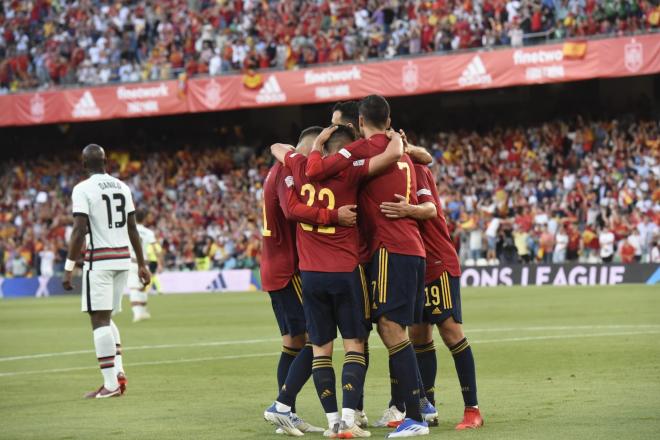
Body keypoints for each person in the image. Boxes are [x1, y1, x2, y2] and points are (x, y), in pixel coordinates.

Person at [266, 124, 405, 438]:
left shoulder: (299, 168)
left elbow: (277, 145)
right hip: (345, 271)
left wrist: (312, 146)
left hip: (312, 276)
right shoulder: (352, 171)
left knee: (320, 350)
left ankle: (331, 425)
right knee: (355, 345)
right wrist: (396, 138)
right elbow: (389, 156)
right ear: (344, 150)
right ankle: (348, 421)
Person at [305, 95, 430, 438]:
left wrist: (316, 145)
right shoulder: (398, 147)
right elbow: (422, 157)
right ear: (388, 120)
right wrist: (403, 145)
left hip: (391, 247)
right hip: (408, 249)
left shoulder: (365, 149)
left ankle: (415, 415)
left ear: (360, 122)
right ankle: (415, 409)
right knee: (395, 330)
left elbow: (317, 169)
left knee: (391, 329)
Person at [261, 126, 358, 436]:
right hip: (291, 268)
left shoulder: (283, 168)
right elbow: (292, 211)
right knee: (317, 338)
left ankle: (285, 410)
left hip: (278, 265)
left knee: (294, 341)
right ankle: (282, 404)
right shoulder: (287, 173)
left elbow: (276, 144)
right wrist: (334, 217)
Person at [379, 156, 484, 430]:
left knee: (451, 333)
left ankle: (472, 409)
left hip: (438, 262)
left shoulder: (416, 170)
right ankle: (428, 409)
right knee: (419, 337)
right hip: (415, 265)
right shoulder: (388, 172)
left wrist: (406, 209)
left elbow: (430, 210)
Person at [62, 144, 151, 399]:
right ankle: (118, 373)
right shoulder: (122, 186)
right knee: (107, 317)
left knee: (98, 320)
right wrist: (142, 264)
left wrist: (68, 268)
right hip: (122, 259)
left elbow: (79, 230)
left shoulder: (82, 189)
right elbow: (133, 227)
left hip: (99, 261)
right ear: (106, 162)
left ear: (83, 164)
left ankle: (110, 385)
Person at [128, 210, 157, 322]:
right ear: (144, 218)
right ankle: (142, 312)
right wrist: (159, 259)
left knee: (134, 288)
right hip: (145, 263)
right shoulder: (149, 232)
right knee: (142, 288)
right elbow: (155, 248)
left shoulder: (128, 230)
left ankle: (138, 313)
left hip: (132, 262)